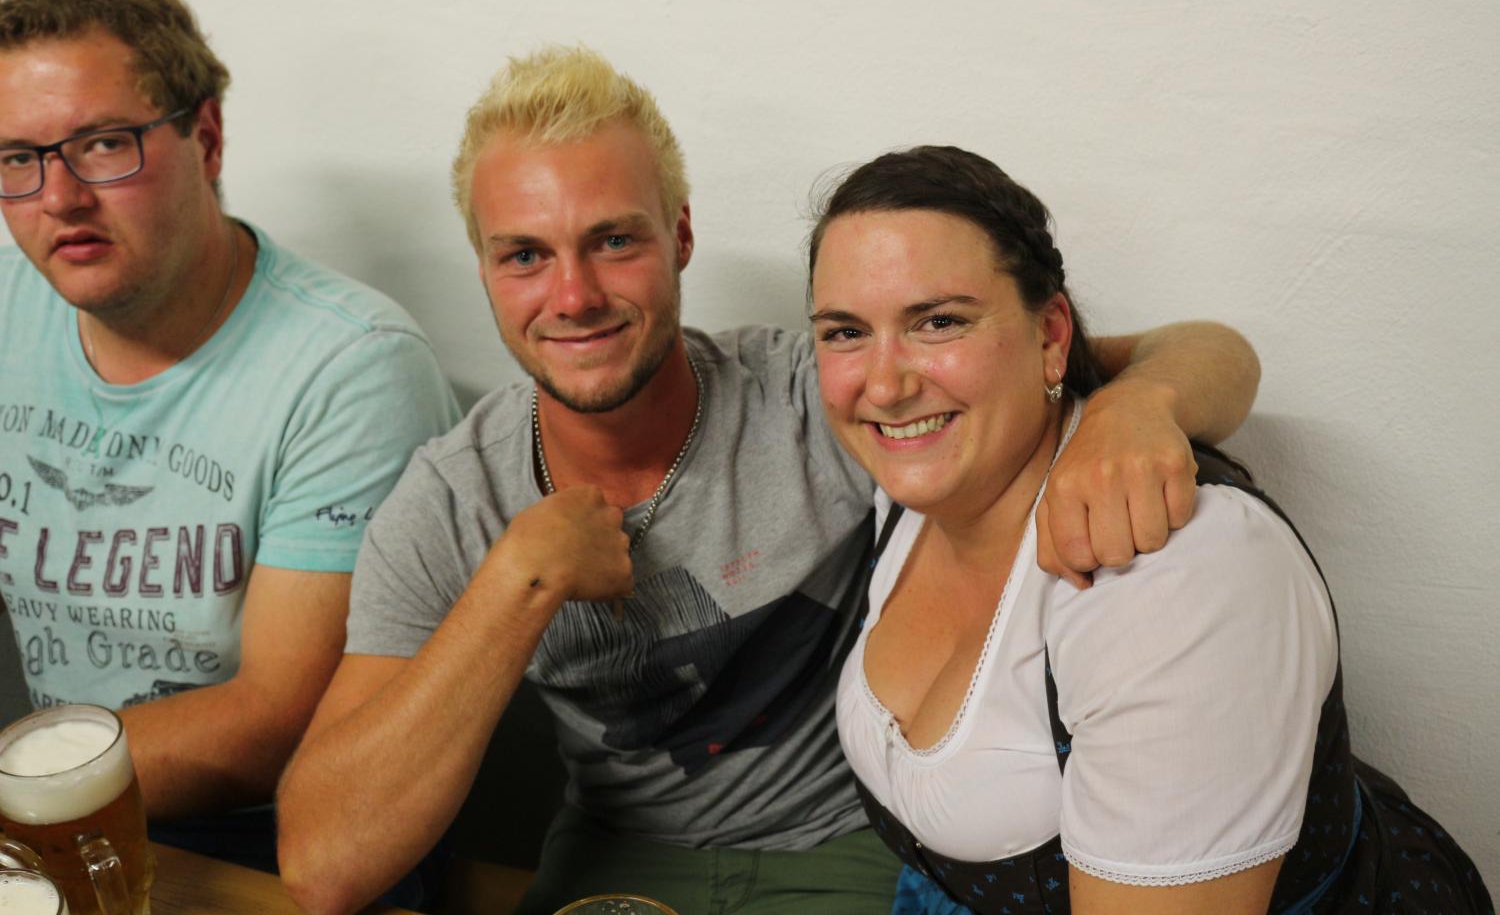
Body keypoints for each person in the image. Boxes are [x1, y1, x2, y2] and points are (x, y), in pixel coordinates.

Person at [275, 45, 1261, 915]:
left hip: (849, 851)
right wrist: (516, 583)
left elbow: (1210, 353)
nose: (573, 295)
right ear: (484, 269)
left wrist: (1137, 407)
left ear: (681, 236)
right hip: (616, 859)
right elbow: (324, 869)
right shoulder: (451, 501)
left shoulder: (819, 391)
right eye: (526, 255)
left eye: (614, 240)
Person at [811, 145, 1494, 914]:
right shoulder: (916, 473)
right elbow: (1202, 348)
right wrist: (1142, 396)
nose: (884, 385)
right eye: (844, 332)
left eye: (939, 322)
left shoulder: (1175, 579)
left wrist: (1141, 402)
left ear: (1051, 336)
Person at [0, 0, 460, 884]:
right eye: (18, 157)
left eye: (103, 145)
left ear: (205, 139)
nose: (59, 197)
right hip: (51, 814)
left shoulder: (352, 368)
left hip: (279, 840)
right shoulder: (10, 306)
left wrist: (17, 780)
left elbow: (270, 726)